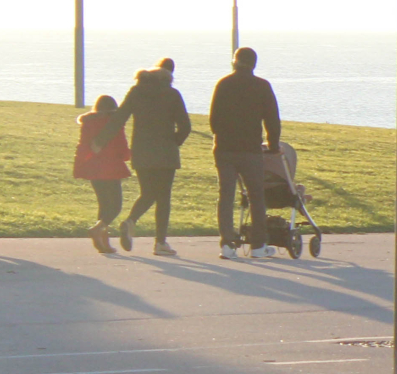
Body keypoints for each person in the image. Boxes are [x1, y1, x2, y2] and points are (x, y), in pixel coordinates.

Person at [209, 46, 282, 259]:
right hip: (250, 149)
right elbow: (272, 119)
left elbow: (214, 119)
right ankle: (258, 246)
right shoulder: (262, 86)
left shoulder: (223, 84)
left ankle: (227, 245)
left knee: (226, 195)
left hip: (224, 149)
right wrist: (274, 144)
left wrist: (221, 136)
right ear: (254, 64)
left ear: (235, 61)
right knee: (256, 196)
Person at [117, 59, 191, 256]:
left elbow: (120, 117)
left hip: (141, 151)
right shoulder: (172, 94)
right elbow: (185, 127)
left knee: (148, 192)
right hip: (165, 153)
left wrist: (100, 141)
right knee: (163, 197)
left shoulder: (136, 91)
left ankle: (131, 221)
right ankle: (160, 243)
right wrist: (174, 141)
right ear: (170, 76)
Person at [74, 94, 133, 253]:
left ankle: (104, 242)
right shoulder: (114, 123)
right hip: (111, 168)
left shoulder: (87, 123)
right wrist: (131, 154)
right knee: (115, 207)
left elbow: (83, 146)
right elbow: (122, 149)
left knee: (103, 205)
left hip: (93, 168)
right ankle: (97, 230)